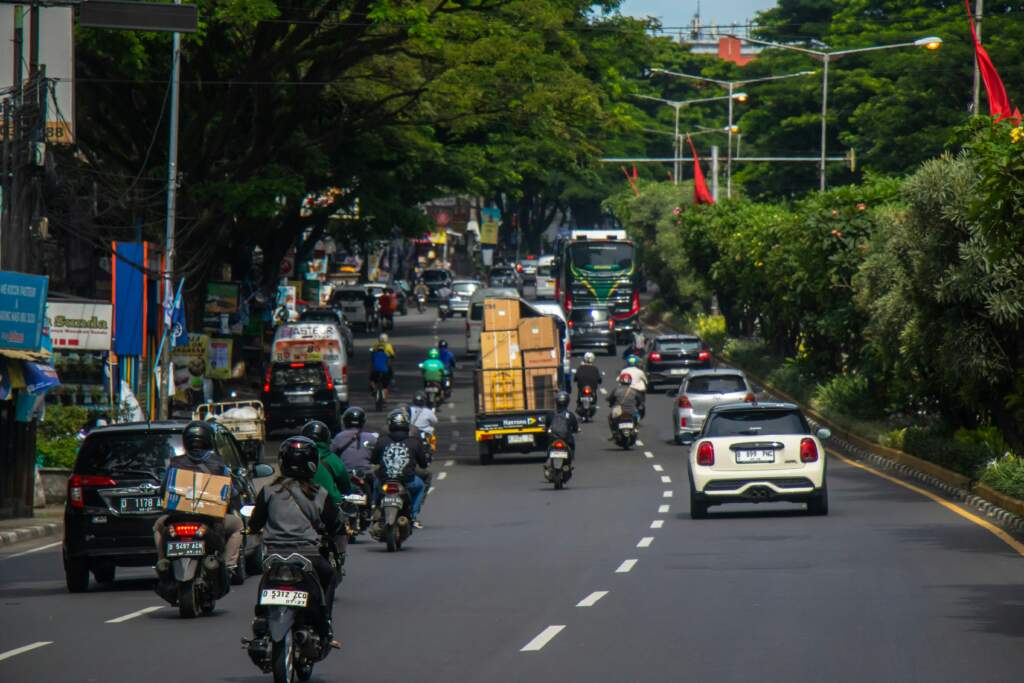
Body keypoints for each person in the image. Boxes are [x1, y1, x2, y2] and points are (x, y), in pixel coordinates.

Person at [248, 437, 343, 648]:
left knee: (265, 584)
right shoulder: (319, 493)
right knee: (329, 576)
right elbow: (335, 524)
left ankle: (261, 622)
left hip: (273, 556)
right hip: (308, 555)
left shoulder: (269, 491)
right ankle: (325, 626)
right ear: (312, 463)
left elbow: (255, 523)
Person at [154, 421, 245, 583]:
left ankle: (163, 561)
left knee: (157, 526)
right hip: (211, 521)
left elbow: (163, 490)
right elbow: (232, 492)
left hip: (176, 520)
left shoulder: (175, 463)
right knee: (238, 525)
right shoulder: (218, 464)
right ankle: (229, 565)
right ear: (208, 440)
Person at [371, 410, 430, 528]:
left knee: (375, 483)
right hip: (407, 481)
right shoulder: (414, 442)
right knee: (420, 487)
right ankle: (413, 515)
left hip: (384, 481)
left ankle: (374, 506)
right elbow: (423, 464)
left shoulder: (382, 441)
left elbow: (374, 460)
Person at [331, 407, 378, 474]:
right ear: (363, 421)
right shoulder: (371, 437)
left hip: (347, 475)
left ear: (345, 421)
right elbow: (377, 457)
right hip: (366, 474)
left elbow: (331, 455)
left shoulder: (339, 437)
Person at [549, 391, 580, 459]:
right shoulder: (570, 415)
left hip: (553, 439)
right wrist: (576, 430)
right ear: (567, 402)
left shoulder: (551, 414)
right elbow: (575, 427)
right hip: (566, 439)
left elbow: (546, 425)